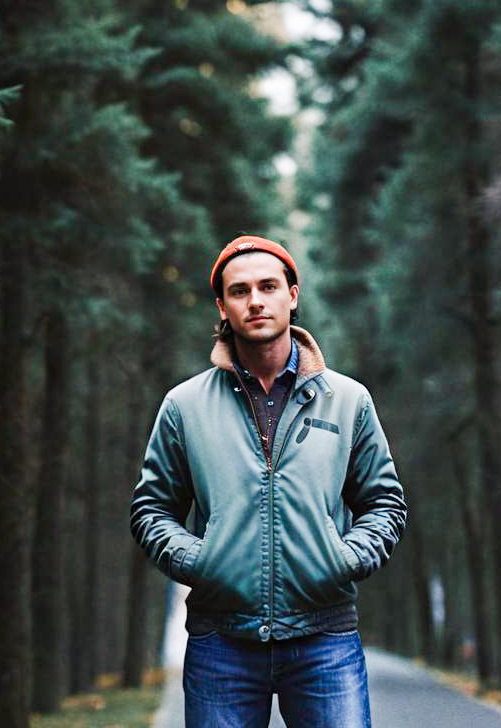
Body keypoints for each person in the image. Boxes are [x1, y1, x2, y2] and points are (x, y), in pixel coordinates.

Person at [130, 235, 407, 727]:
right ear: (222, 306)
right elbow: (151, 509)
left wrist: (344, 558)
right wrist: (201, 560)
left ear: (292, 295)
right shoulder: (184, 406)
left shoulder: (347, 400)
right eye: (239, 291)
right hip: (221, 644)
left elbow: (383, 502)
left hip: (326, 638)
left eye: (268, 286)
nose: (255, 300)